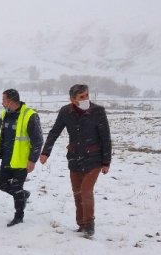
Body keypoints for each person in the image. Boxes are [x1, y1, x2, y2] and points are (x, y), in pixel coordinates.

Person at [39, 84, 112, 237]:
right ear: (73, 100)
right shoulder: (66, 112)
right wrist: (46, 152)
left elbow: (105, 137)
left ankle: (90, 225)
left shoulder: (98, 111)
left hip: (94, 159)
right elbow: (54, 132)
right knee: (77, 193)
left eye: (87, 95)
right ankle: (82, 225)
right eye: (81, 97)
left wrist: (106, 162)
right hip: (74, 159)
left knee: (86, 191)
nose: (86, 99)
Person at [0, 89, 43, 227]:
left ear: (10, 101)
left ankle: (18, 216)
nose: (2, 103)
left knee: (16, 188)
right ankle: (23, 195)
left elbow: (38, 140)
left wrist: (32, 160)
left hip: (21, 161)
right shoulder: (5, 114)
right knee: (1, 184)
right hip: (6, 158)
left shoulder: (30, 115)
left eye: (4, 100)